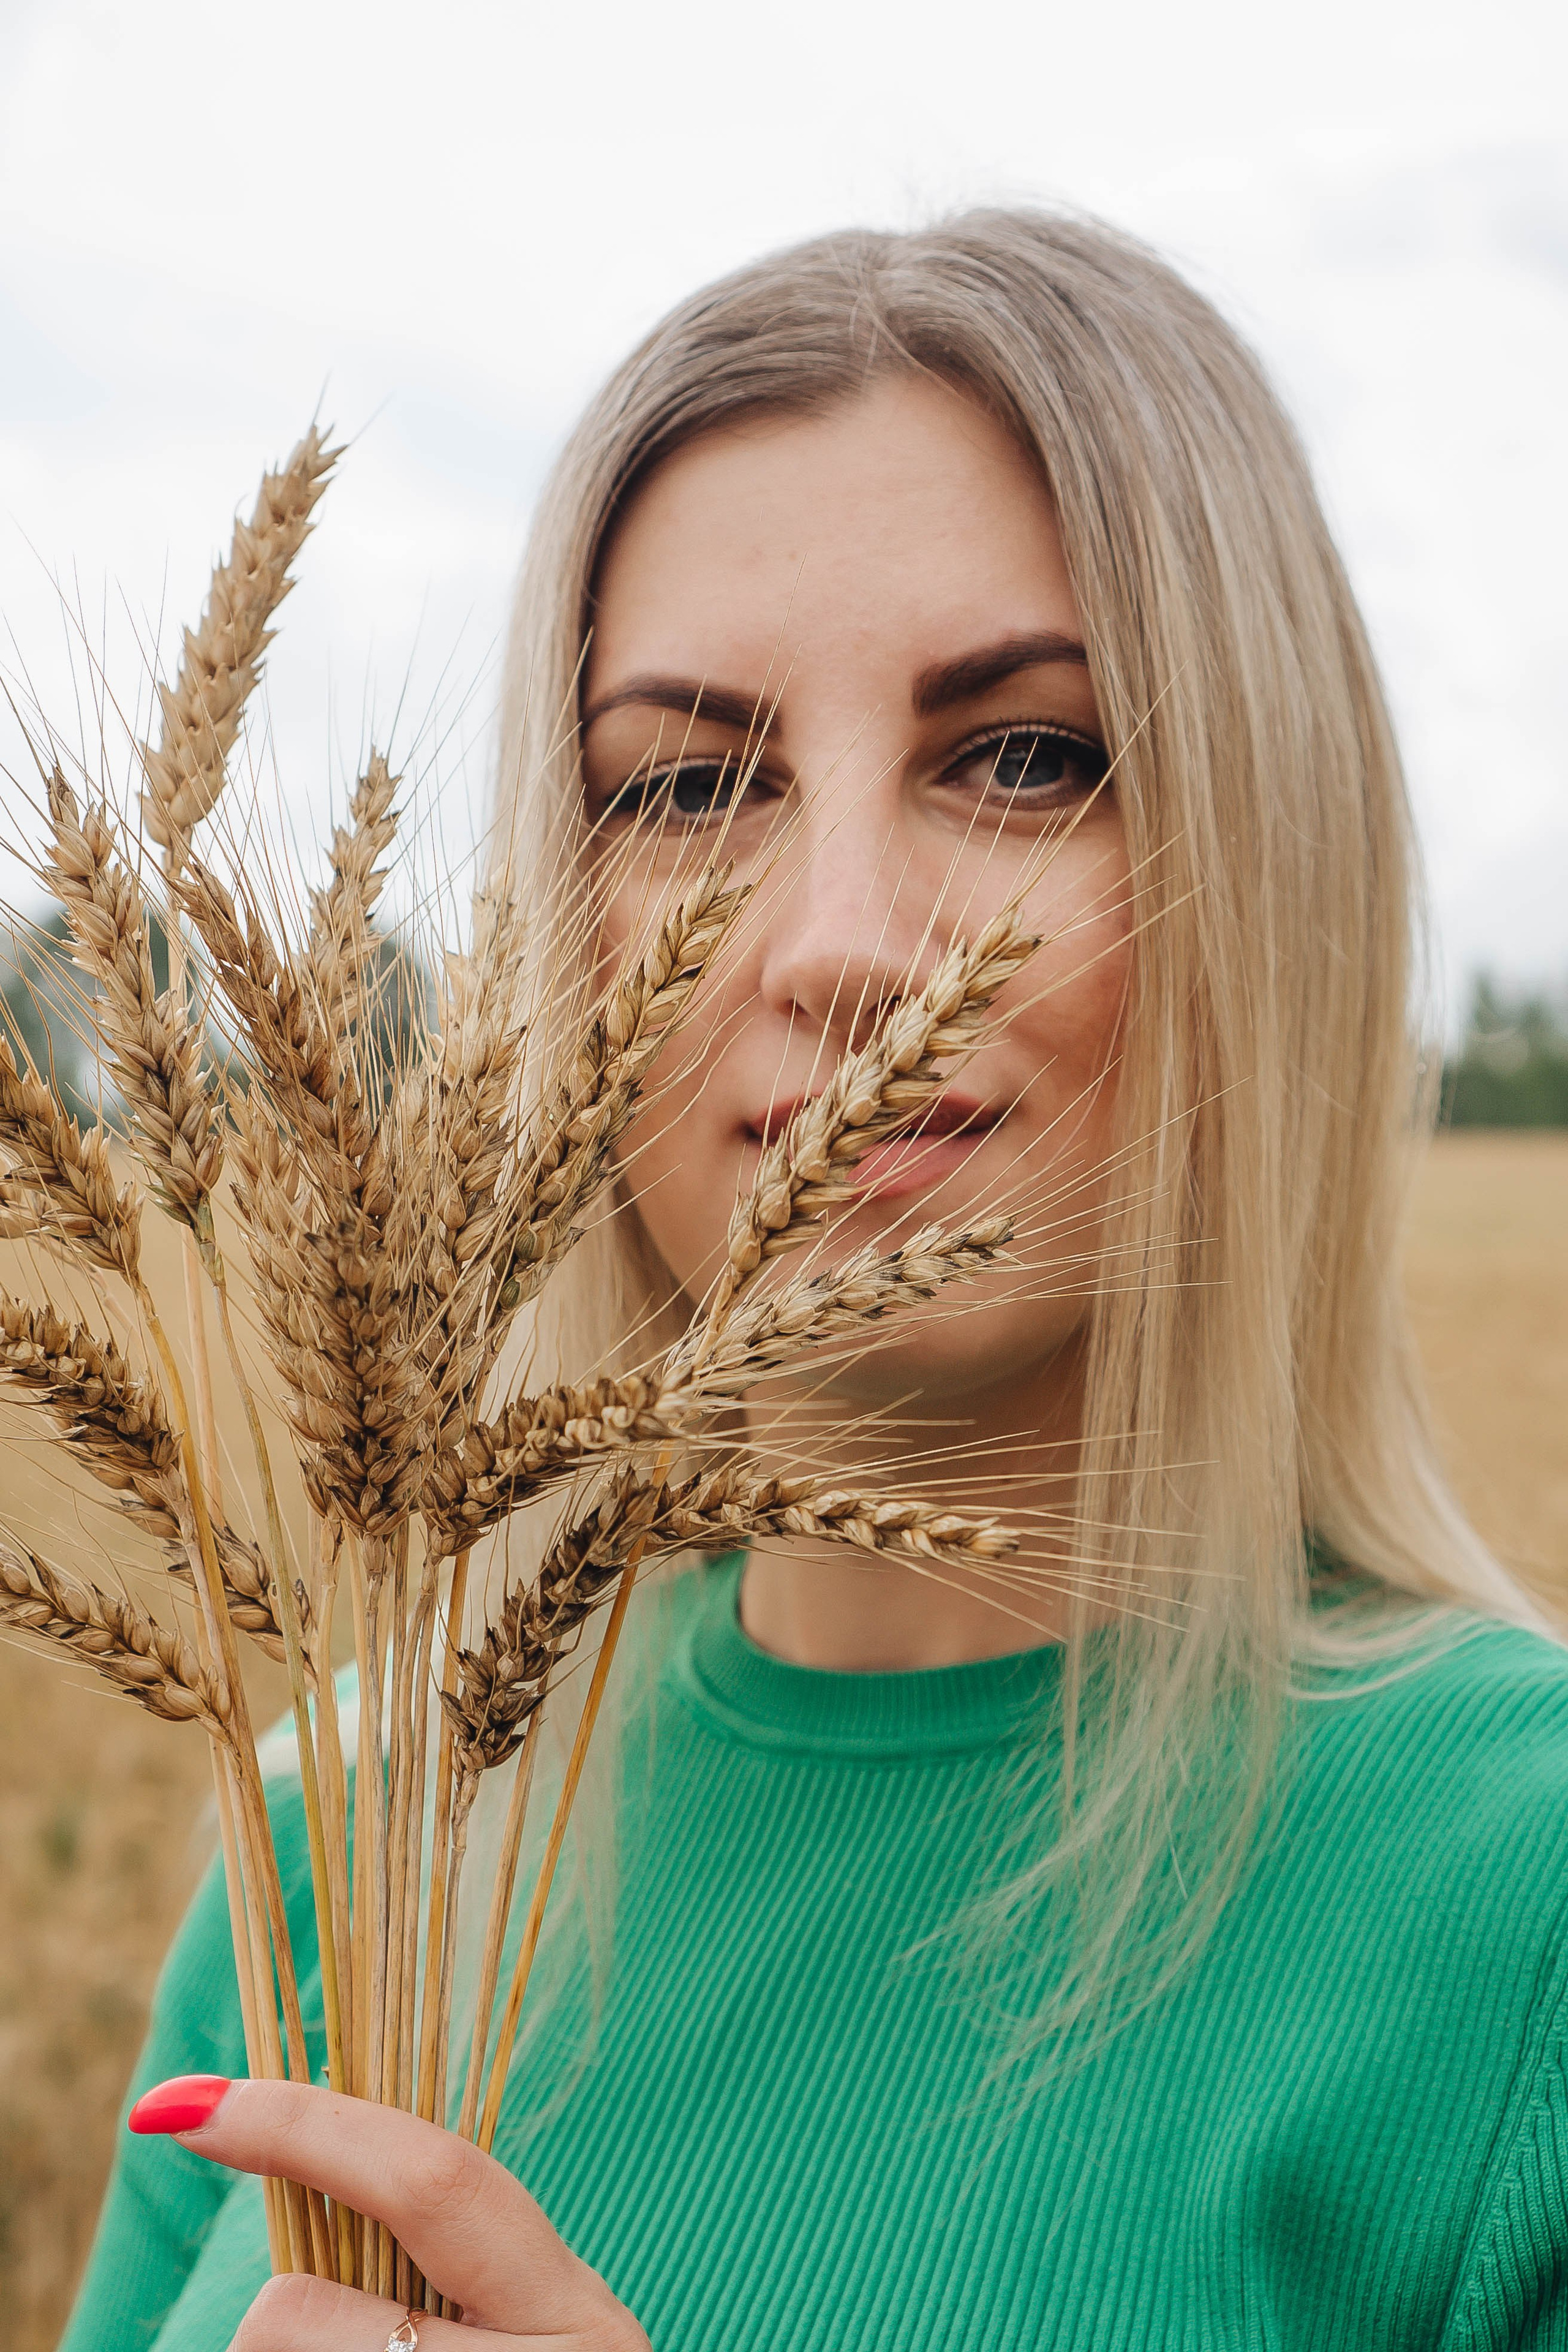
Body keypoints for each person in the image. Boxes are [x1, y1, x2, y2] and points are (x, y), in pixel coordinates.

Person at [64, 210, 1568, 2352]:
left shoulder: (1527, 1914)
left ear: (1271, 858)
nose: (841, 939)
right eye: (684, 785)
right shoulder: (340, 1840)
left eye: (1025, 753)